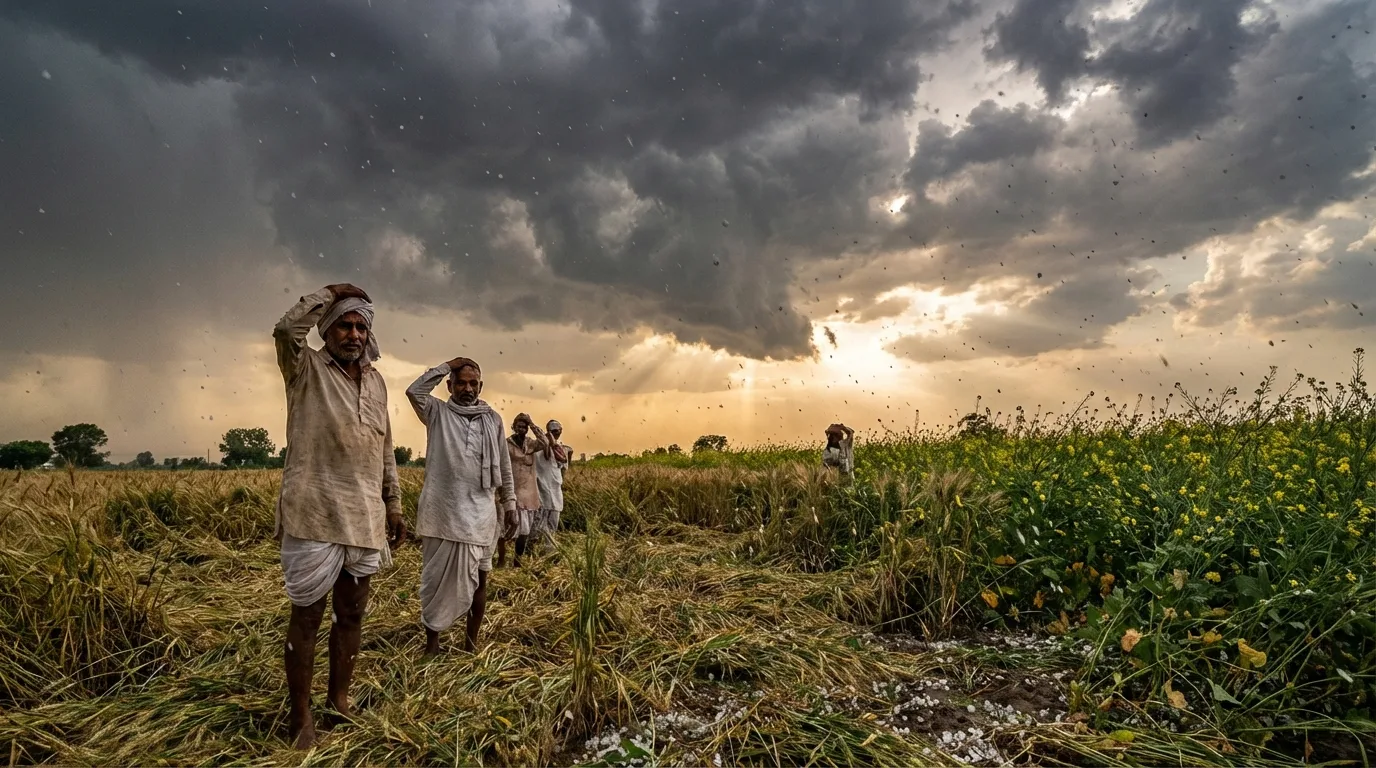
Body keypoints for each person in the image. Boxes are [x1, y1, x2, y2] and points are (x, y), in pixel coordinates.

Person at [272, 283, 406, 750]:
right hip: (313, 508)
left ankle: (340, 699)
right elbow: (287, 329)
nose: (353, 333)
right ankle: (300, 716)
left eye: (360, 326)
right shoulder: (306, 367)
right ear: (327, 330)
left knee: (351, 614)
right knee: (307, 616)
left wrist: (393, 502)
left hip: (364, 512)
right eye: (344, 325)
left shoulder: (376, 381)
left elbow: (384, 445)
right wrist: (328, 293)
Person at [406, 357, 517, 658]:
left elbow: (504, 466)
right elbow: (414, 391)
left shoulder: (492, 419)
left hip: (481, 513)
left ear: (481, 386)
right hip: (441, 513)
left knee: (480, 579)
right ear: (450, 385)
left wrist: (510, 503)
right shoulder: (437, 412)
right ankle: (432, 645)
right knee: (434, 581)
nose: (468, 389)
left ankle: (470, 644)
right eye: (461, 382)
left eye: (473, 383)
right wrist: (446, 364)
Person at [498, 413, 547, 568]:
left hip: (529, 493)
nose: (522, 429)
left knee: (524, 531)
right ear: (514, 427)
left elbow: (545, 442)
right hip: (512, 491)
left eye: (524, 427)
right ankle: (501, 559)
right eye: (519, 426)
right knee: (504, 529)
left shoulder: (531, 444)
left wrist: (531, 423)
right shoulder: (507, 444)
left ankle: (517, 561)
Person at [533, 419, 571, 552]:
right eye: (553, 431)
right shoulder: (539, 446)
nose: (557, 433)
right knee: (540, 521)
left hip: (555, 489)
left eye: (558, 430)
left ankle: (548, 549)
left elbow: (563, 462)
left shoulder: (559, 448)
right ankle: (540, 549)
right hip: (542, 488)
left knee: (553, 520)